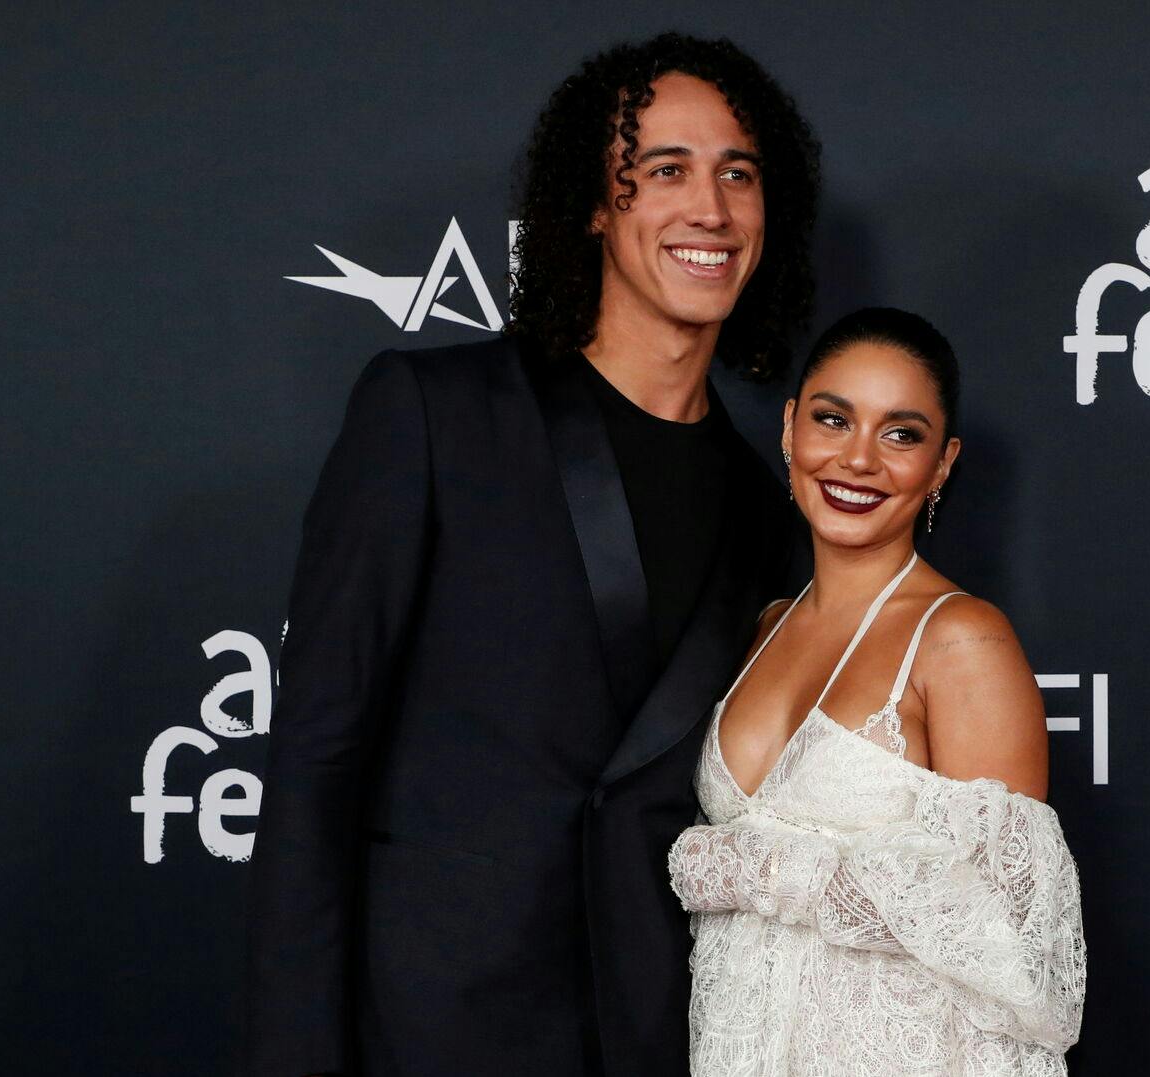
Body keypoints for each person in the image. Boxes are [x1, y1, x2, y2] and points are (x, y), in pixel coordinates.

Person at [245, 33, 818, 1077]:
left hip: (659, 1031)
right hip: (429, 1024)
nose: (712, 208)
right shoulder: (435, 415)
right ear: (595, 204)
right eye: (664, 171)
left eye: (739, 172)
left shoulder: (769, 511)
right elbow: (317, 761)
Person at [667, 308, 1087, 1075]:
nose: (858, 459)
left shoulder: (962, 638)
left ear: (942, 463)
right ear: (791, 428)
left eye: (901, 434)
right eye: (834, 420)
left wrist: (760, 870)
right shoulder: (762, 626)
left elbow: (1013, 939)